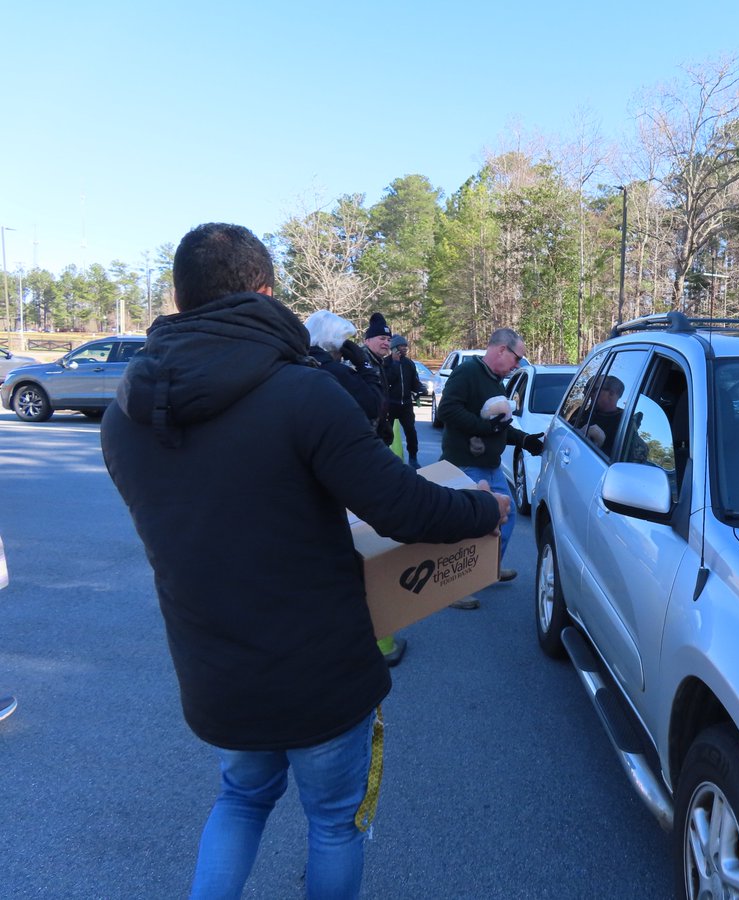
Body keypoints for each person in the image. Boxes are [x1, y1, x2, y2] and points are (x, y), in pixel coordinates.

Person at [101, 223, 509, 898]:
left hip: (215, 668)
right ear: (264, 291)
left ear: (179, 298)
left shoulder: (127, 417)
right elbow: (402, 508)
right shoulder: (300, 393)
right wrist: (481, 511)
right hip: (319, 669)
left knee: (240, 799)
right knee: (334, 824)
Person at [305, 310, 408, 668]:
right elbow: (371, 402)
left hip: (336, 467)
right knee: (367, 551)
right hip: (351, 468)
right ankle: (376, 640)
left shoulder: (304, 366)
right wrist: (359, 362)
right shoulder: (328, 368)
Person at [438, 327, 543, 609]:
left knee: (504, 521)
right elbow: (448, 409)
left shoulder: (496, 382)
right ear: (501, 350)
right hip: (466, 465)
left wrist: (524, 440)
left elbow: (500, 426)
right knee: (468, 527)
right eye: (517, 357)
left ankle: (487, 570)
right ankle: (454, 589)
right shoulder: (468, 373)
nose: (518, 364)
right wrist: (484, 427)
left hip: (490, 466)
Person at [384, 335, 426, 467]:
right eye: (402, 346)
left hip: (406, 405)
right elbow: (388, 380)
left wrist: (421, 388)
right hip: (390, 404)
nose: (405, 348)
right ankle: (384, 458)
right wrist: (395, 363)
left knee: (411, 431)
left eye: (406, 346)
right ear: (395, 348)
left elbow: (414, 382)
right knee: (386, 433)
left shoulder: (409, 364)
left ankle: (413, 458)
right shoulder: (385, 363)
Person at [361, 313, 393, 444]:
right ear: (367, 340)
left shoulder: (378, 361)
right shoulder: (359, 360)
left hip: (376, 431)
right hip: (362, 433)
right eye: (382, 338)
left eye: (389, 340)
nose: (386, 343)